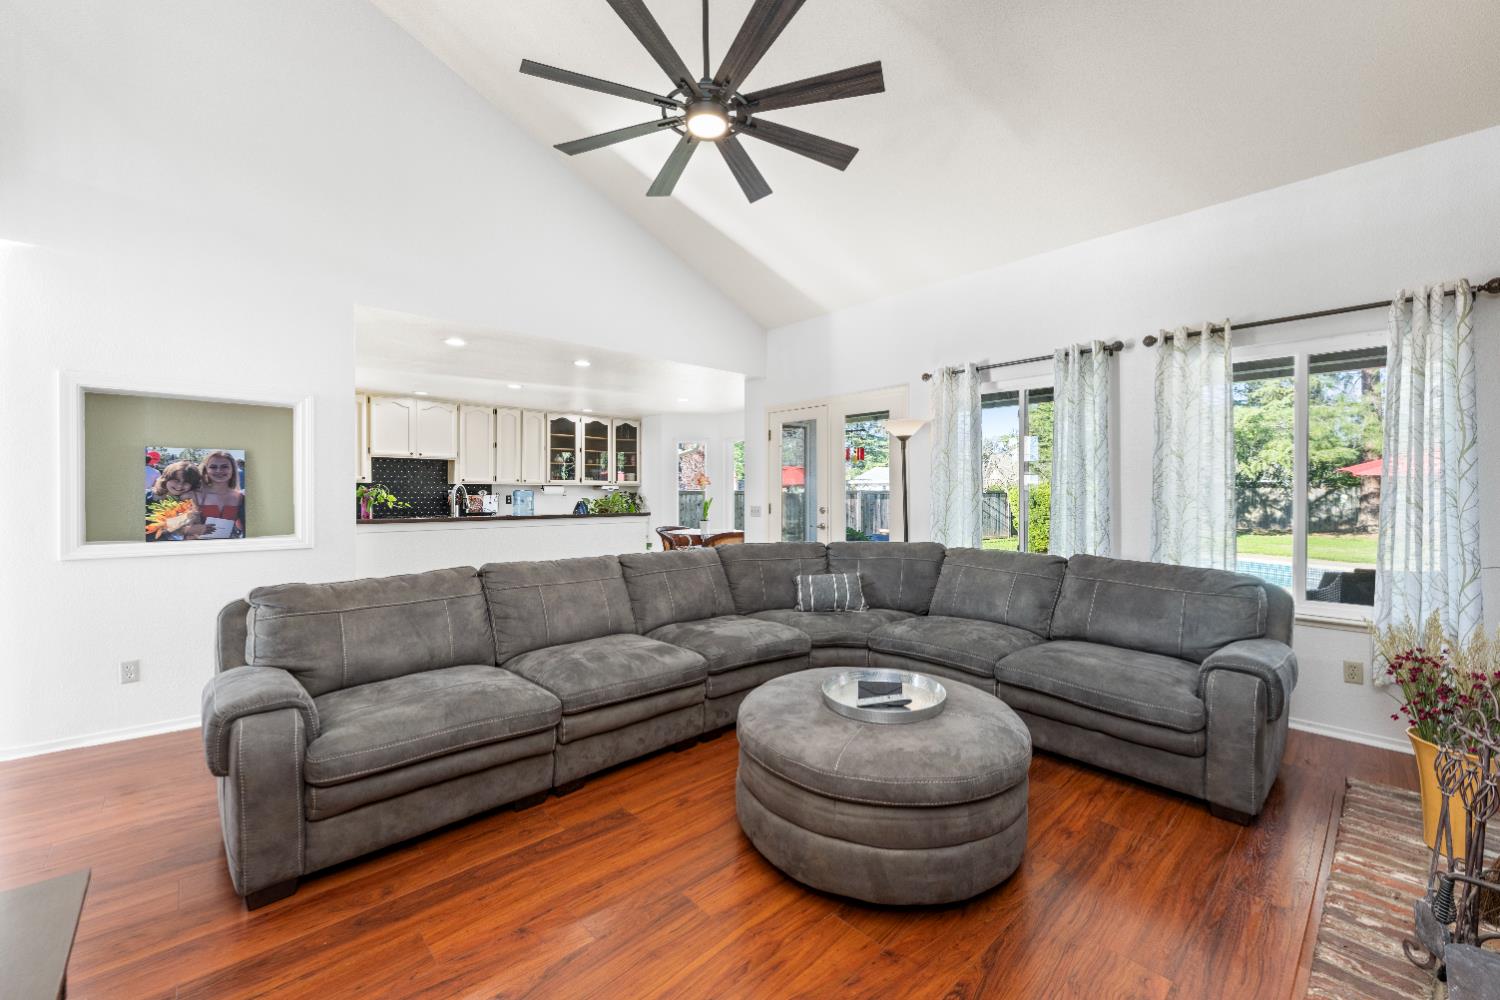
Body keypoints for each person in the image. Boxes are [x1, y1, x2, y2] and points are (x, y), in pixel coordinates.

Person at [145, 460, 204, 541]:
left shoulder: (186, 504)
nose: (180, 485)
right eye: (176, 480)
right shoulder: (146, 496)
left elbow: (195, 531)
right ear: (166, 478)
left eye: (186, 482)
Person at [196, 450, 245, 539]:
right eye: (213, 467)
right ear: (206, 470)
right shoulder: (195, 495)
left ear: (233, 469)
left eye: (224, 466)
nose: (219, 470)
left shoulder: (240, 497)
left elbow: (243, 527)